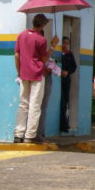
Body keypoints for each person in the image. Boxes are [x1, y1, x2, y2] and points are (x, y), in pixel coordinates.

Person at [14, 14, 58, 144]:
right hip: (37, 74)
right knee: (35, 105)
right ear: (43, 25)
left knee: (23, 104)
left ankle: (18, 133)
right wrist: (53, 46)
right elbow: (44, 59)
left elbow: (16, 55)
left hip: (23, 73)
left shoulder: (21, 35)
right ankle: (30, 135)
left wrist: (19, 71)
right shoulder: (41, 39)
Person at [59, 36, 77, 133]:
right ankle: (63, 124)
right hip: (59, 80)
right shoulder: (58, 54)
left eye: (67, 43)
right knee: (60, 102)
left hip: (66, 80)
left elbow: (74, 67)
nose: (65, 45)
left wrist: (67, 72)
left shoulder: (69, 54)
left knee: (65, 101)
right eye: (64, 43)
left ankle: (64, 124)